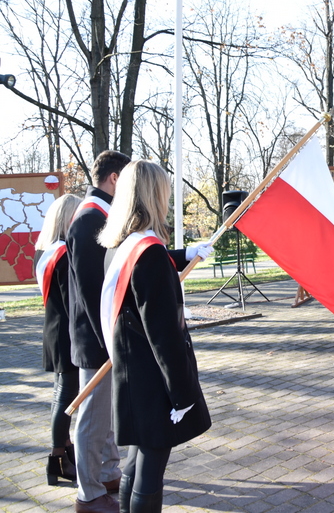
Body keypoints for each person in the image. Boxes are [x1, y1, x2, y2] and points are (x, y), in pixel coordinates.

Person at [98, 160, 212, 512]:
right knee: (150, 467)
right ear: (153, 196)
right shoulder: (148, 254)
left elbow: (147, 270)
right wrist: (183, 394)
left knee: (136, 461)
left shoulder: (122, 245)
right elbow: (165, 336)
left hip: (130, 372)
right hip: (153, 378)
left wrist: (183, 255)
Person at [68, 150, 130, 513]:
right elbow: (93, 290)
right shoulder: (91, 218)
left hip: (100, 334)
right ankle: (88, 493)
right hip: (96, 337)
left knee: (103, 413)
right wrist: (110, 341)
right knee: (92, 418)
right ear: (114, 179)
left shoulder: (97, 214)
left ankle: (107, 472)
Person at [34, 194, 82, 486]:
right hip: (66, 334)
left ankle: (62, 452)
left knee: (60, 395)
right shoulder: (63, 253)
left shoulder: (44, 251)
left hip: (53, 330)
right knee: (66, 398)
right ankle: (57, 457)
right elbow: (71, 301)